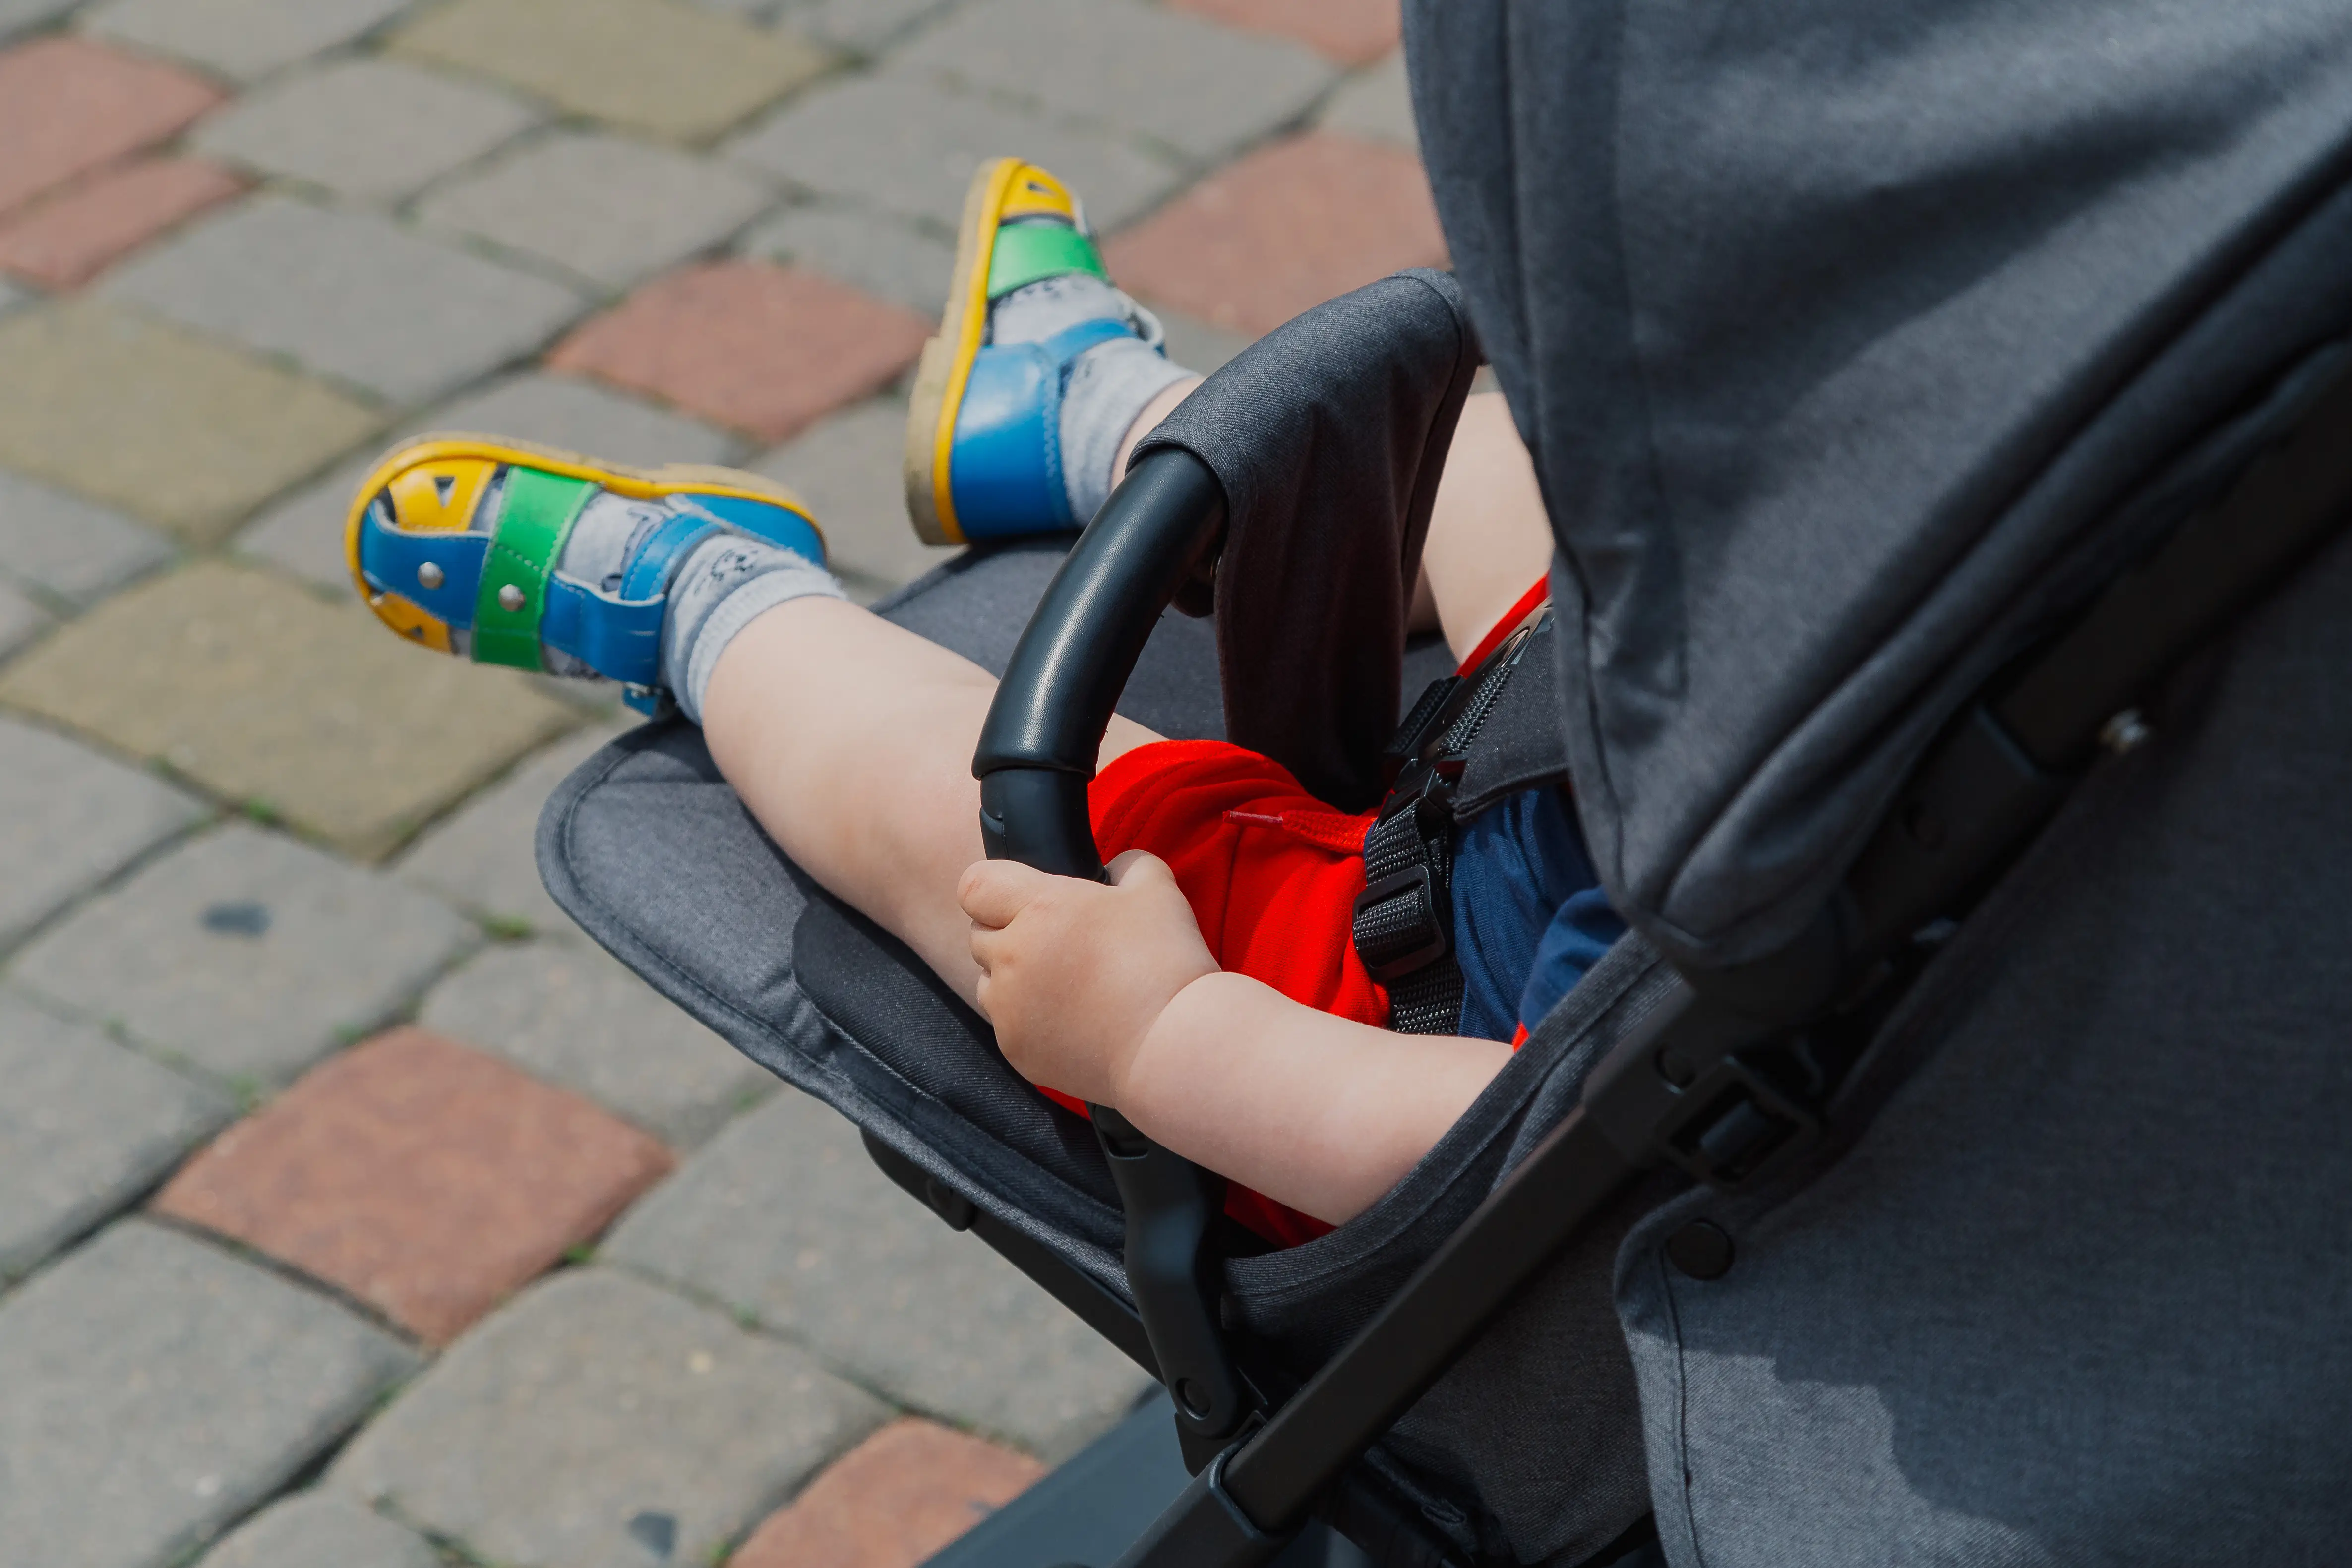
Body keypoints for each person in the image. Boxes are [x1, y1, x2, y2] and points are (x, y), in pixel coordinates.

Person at [347, 159, 1619, 1244]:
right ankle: (1098, 421)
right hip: (1630, 715)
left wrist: (1160, 1034)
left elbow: (1549, 1139)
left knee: (993, 822)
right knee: (1488, 458)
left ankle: (712, 611)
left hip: (1403, 1026)